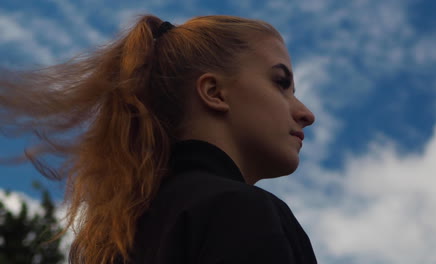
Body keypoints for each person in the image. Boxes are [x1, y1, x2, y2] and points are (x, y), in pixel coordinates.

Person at [0, 14, 316, 263]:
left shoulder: (117, 243)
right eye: (280, 83)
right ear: (214, 92)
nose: (306, 114)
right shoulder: (242, 213)